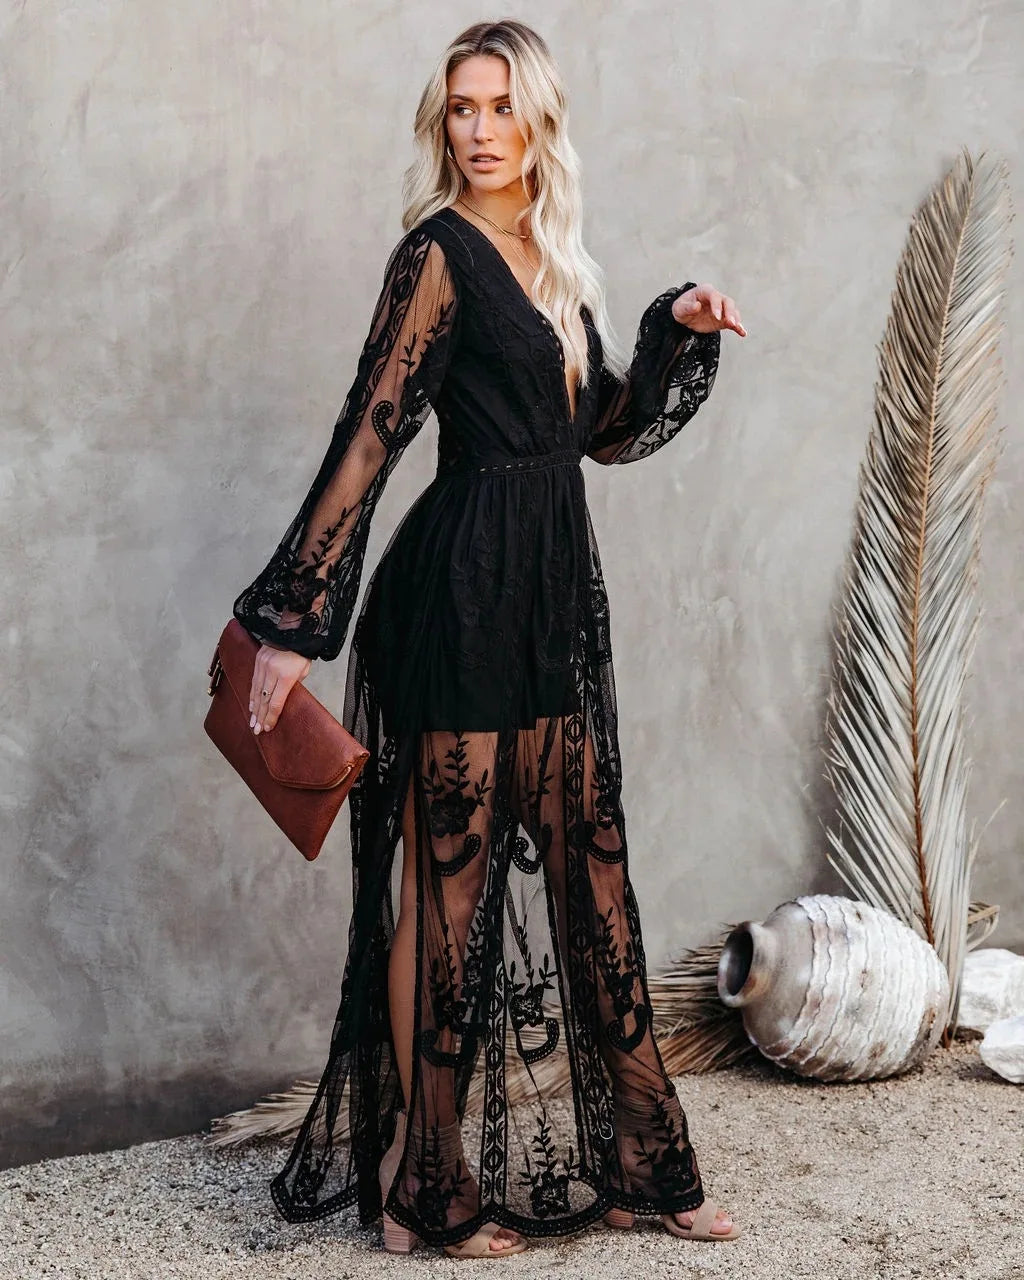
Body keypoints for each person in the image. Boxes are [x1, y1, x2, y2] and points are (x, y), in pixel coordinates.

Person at [230, 17, 746, 1261]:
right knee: (448, 891)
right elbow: (373, 428)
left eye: (501, 106)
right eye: (461, 107)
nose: (479, 128)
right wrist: (295, 617)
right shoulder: (436, 253)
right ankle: (427, 1181)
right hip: (459, 590)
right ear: (442, 121)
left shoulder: (553, 253)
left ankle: (645, 1158)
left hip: (552, 595)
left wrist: (674, 327)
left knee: (595, 867)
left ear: (539, 120)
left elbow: (597, 432)